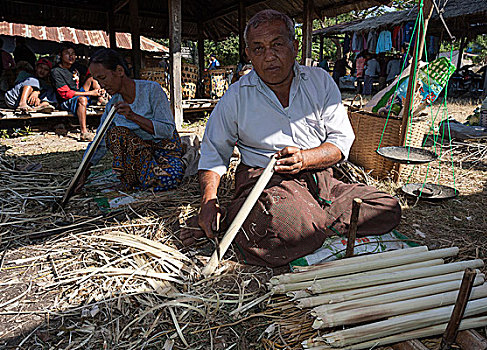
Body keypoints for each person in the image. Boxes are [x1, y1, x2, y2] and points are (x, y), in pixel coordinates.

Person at [180, 10, 401, 267]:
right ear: (249, 55)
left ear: (294, 46)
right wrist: (209, 202)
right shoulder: (237, 96)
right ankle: (284, 218)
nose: (269, 56)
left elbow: (341, 143)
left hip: (320, 179)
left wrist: (305, 159)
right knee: (289, 225)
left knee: (387, 207)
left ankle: (309, 219)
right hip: (265, 180)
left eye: (277, 45)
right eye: (258, 49)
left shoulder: (319, 82)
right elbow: (214, 152)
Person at [76, 48, 185, 193]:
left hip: (164, 151)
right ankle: (134, 179)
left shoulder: (152, 90)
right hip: (140, 158)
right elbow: (99, 142)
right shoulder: (112, 106)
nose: (101, 86)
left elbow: (167, 131)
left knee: (170, 178)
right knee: (116, 133)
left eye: (103, 78)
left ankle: (139, 181)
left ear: (119, 71)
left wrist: (133, 116)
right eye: (97, 80)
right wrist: (83, 170)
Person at [51, 44, 104, 141]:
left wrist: (101, 87)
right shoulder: (56, 71)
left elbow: (91, 72)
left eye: (73, 54)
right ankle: (84, 132)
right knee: (82, 100)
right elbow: (66, 94)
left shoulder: (75, 67)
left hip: (78, 94)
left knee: (92, 78)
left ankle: (101, 99)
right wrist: (91, 93)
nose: (71, 56)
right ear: (61, 56)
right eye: (67, 54)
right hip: (65, 101)